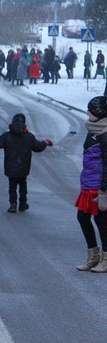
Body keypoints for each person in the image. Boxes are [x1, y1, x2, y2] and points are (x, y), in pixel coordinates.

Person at [74, 96, 107, 272]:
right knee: (82, 217)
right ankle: (93, 256)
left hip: (100, 187)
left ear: (100, 112)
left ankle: (105, 258)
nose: (88, 113)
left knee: (102, 221)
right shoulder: (92, 130)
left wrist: (104, 191)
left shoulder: (106, 135)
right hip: (88, 183)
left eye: (91, 110)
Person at [0, 113, 52, 213]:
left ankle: (13, 205)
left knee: (12, 185)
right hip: (23, 167)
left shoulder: (6, 136)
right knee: (23, 184)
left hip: (10, 167)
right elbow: (38, 147)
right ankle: (23, 204)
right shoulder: (29, 136)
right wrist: (45, 142)